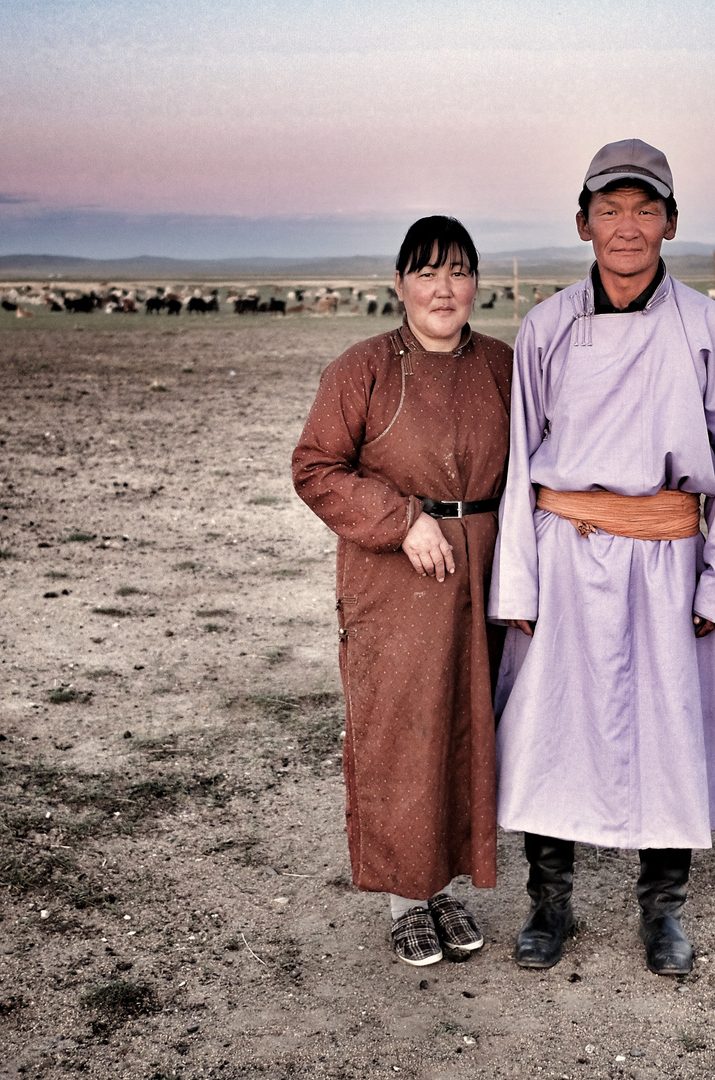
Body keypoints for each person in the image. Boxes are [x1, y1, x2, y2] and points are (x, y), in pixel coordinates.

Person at [487, 139, 715, 976]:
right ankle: (549, 903)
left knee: (670, 725)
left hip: (669, 555)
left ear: (671, 223)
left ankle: (663, 909)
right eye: (611, 210)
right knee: (551, 724)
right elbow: (517, 464)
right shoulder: (545, 328)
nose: (628, 226)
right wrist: (517, 580)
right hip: (562, 551)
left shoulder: (710, 329)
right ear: (583, 223)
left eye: (645, 209)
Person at [292, 216, 512, 967]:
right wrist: (403, 520)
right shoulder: (363, 369)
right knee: (401, 728)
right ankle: (402, 898)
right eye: (425, 272)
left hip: (482, 572)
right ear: (399, 284)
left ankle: (441, 885)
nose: (442, 288)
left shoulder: (504, 366)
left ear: (477, 282)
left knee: (464, 727)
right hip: (397, 575)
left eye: (457, 271)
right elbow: (317, 467)